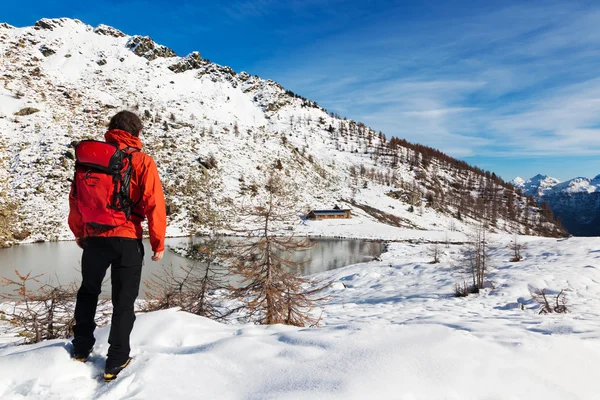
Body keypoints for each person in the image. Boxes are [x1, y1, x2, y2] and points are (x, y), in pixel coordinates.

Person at [68, 110, 167, 382]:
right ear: (136, 133)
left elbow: (75, 199)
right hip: (127, 240)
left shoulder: (88, 160)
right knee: (124, 301)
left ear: (111, 130)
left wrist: (80, 232)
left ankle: (81, 348)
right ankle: (116, 360)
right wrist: (158, 242)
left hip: (94, 239)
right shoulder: (142, 161)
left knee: (88, 292)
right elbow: (154, 204)